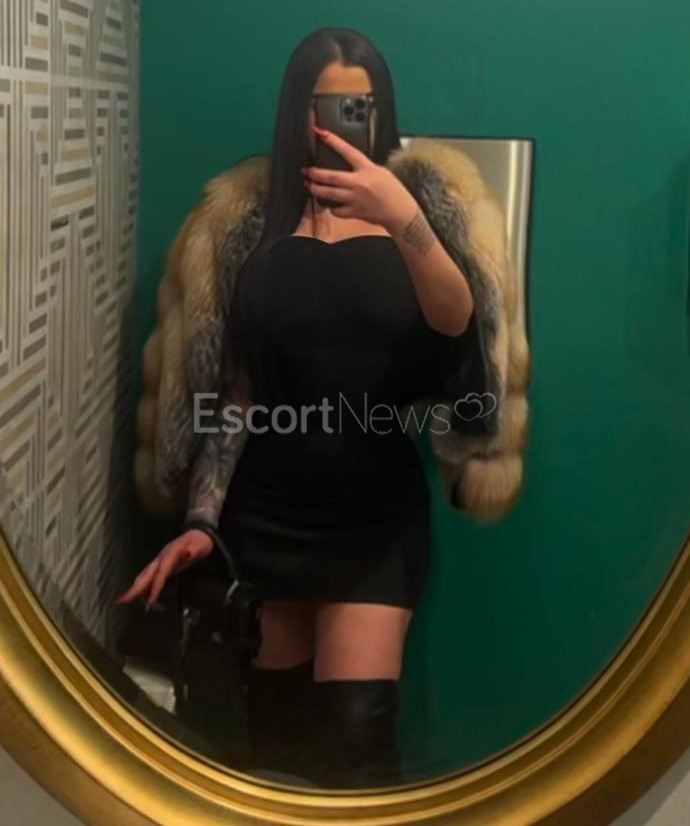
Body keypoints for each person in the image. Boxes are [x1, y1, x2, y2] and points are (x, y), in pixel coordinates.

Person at [118, 27, 528, 788]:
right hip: (265, 516)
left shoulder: (423, 210)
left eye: (359, 107)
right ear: (296, 112)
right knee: (275, 750)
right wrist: (204, 520)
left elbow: (457, 322)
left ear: (381, 111)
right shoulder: (247, 223)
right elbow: (238, 392)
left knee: (358, 746)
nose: (343, 123)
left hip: (376, 521)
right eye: (326, 105)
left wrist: (400, 215)